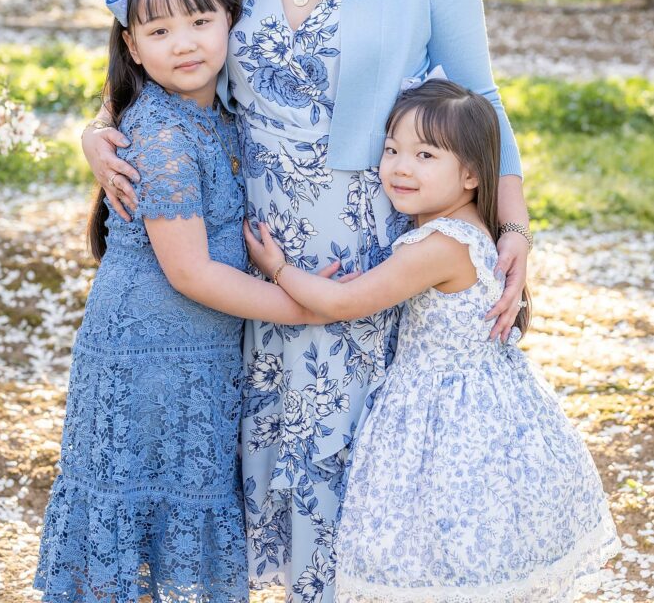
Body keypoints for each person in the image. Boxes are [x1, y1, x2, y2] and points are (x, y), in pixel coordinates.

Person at [82, 0, 532, 603]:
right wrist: (95, 133)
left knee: (365, 480)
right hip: (245, 260)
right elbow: (165, 63)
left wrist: (511, 226)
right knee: (259, 477)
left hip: (368, 259)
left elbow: (478, 96)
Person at [245, 78, 620, 603]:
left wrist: (279, 268)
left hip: (445, 414)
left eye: (425, 154)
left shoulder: (438, 245)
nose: (400, 167)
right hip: (492, 403)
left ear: (470, 173)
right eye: (393, 149)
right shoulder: (468, 226)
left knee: (436, 534)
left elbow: (346, 304)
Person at [35, 0, 333, 603]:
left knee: (177, 513)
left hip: (198, 356)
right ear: (132, 49)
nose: (184, 44)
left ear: (232, 20)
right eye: (158, 31)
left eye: (199, 22)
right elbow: (191, 271)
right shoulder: (164, 133)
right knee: (141, 509)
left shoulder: (219, 114)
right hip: (147, 359)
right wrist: (305, 306)